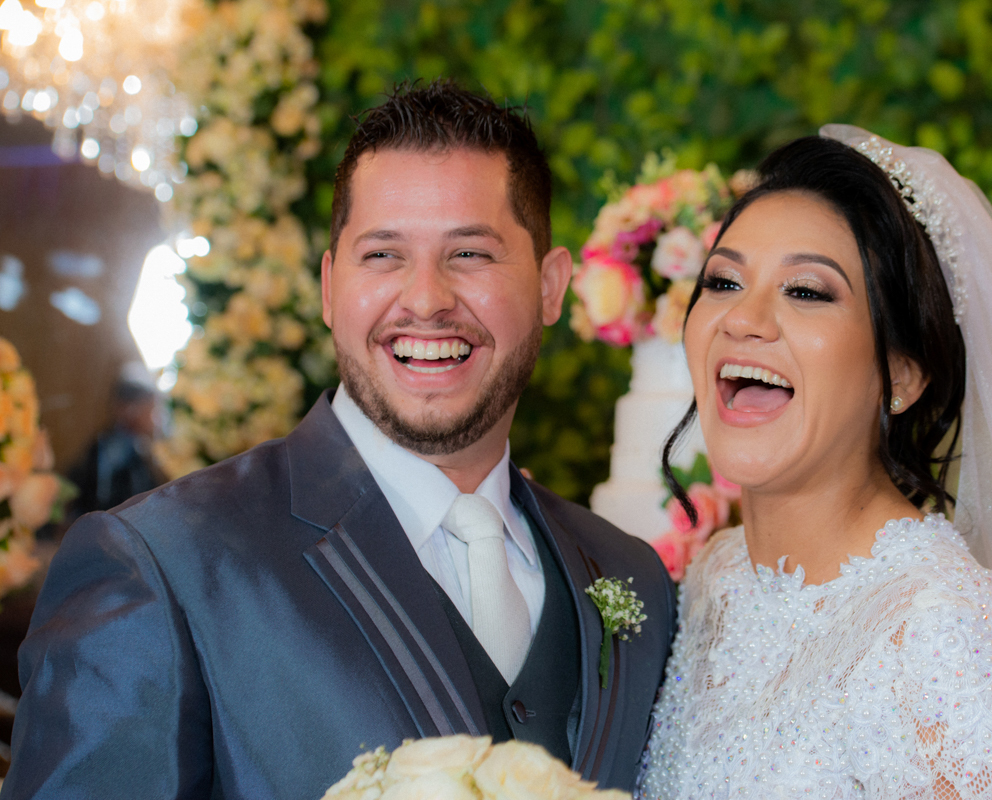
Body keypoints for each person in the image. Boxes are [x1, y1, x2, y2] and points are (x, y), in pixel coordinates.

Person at [2, 81, 676, 799]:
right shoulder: (162, 565)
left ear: (550, 286)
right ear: (330, 287)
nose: (425, 299)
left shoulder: (630, 574)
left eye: (470, 254)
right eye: (383, 255)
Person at [639, 129, 992, 799]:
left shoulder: (942, 637)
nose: (744, 319)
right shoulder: (715, 576)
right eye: (723, 281)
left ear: (901, 375)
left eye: (808, 291)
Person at [66, 365, 165, 520]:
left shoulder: (139, 449)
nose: (155, 421)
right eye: (152, 411)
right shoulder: (112, 449)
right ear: (131, 409)